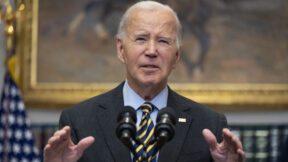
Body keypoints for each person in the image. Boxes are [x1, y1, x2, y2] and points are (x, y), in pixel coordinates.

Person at [44, 1, 245, 162]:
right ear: (121, 50)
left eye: (163, 41)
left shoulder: (209, 124)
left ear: (176, 56)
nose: (151, 51)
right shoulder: (78, 121)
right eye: (141, 39)